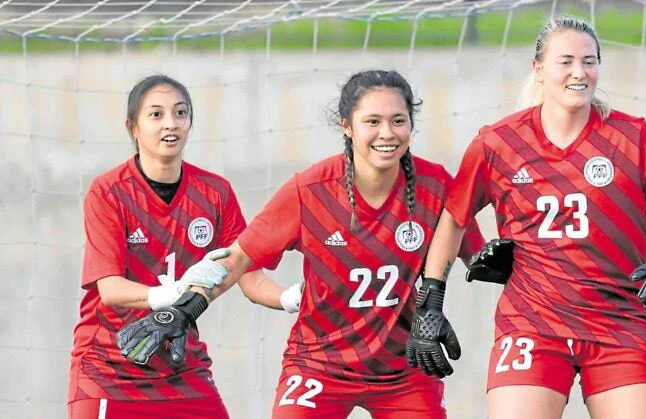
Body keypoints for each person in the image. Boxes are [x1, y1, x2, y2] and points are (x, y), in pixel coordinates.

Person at [121, 69, 486, 418]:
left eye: (398, 121)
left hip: (405, 367)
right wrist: (185, 309)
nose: (387, 133)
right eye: (372, 122)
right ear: (347, 125)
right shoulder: (309, 190)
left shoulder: (435, 184)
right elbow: (238, 259)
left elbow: (480, 258)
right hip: (320, 365)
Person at [406, 16, 646, 419]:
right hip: (532, 325)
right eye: (566, 61)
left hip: (621, 324)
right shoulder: (498, 143)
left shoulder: (633, 138)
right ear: (539, 70)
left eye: (589, 61)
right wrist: (431, 301)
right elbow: (453, 220)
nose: (579, 72)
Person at [67, 74, 300, 419]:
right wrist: (178, 292)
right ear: (132, 127)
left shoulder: (215, 193)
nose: (170, 124)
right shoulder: (109, 192)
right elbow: (110, 289)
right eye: (156, 115)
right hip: (111, 368)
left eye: (180, 113)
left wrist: (292, 298)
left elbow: (247, 274)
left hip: (180, 365)